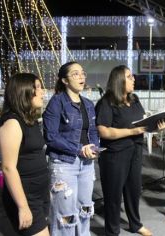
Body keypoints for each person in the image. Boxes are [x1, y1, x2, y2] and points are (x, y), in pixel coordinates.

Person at [96, 65, 163, 236]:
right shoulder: (107, 102)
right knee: (113, 196)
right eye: (129, 76)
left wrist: (156, 128)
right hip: (114, 155)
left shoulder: (134, 99)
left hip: (135, 151)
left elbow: (142, 126)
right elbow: (103, 131)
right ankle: (112, 231)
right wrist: (132, 132)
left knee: (133, 191)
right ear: (119, 80)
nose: (134, 79)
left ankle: (135, 224)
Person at [43, 61, 99, 235]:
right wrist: (79, 149)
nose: (81, 76)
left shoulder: (88, 103)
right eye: (75, 74)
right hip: (64, 164)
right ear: (65, 80)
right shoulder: (56, 102)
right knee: (65, 215)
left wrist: (95, 148)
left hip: (87, 164)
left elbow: (93, 131)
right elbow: (51, 137)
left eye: (82, 73)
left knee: (85, 209)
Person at [0, 73, 49, 236]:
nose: (43, 92)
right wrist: (23, 206)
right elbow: (8, 168)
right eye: (38, 87)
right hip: (26, 196)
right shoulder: (12, 123)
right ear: (24, 92)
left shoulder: (29, 119)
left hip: (39, 194)